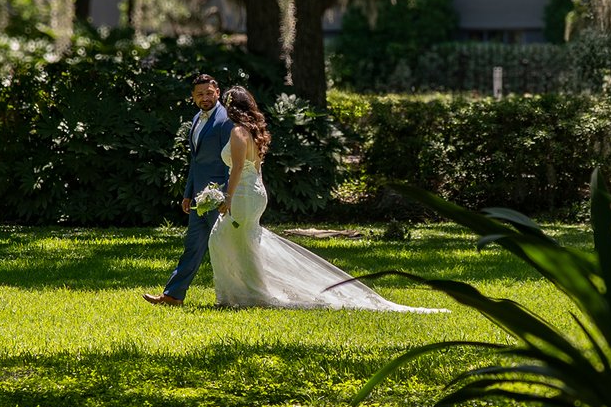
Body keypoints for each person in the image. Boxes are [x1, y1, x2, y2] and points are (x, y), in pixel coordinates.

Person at [206, 85, 444, 313]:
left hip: (243, 193)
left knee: (224, 239)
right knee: (236, 240)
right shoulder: (253, 132)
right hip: (254, 192)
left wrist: (227, 197)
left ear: (232, 108)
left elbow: (237, 168)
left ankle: (246, 293)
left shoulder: (238, 132)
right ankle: (242, 293)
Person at [144, 75, 231, 307]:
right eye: (199, 94)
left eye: (209, 93)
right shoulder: (196, 119)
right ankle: (173, 295)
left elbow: (230, 161)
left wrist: (228, 195)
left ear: (218, 92)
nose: (205, 98)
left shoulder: (225, 121)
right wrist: (188, 192)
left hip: (219, 196)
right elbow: (195, 161)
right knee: (193, 246)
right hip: (199, 198)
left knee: (226, 248)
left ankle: (239, 295)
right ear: (193, 97)